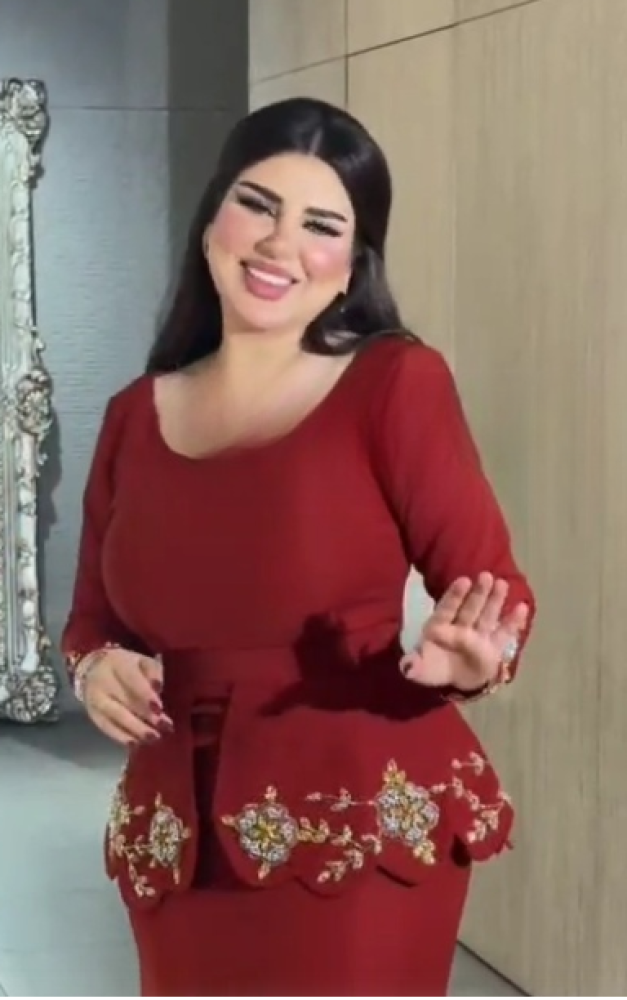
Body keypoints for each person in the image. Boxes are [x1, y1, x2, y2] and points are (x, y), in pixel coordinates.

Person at [62, 96, 535, 997]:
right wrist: (95, 671)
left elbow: (496, 594)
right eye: (258, 204)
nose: (280, 244)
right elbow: (93, 621)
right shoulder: (132, 415)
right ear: (213, 220)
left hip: (357, 828)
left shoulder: (395, 383)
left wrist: (472, 658)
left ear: (352, 264)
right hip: (176, 833)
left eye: (322, 225)